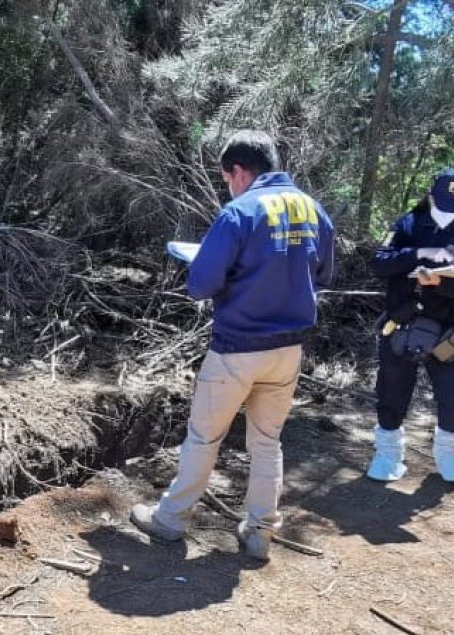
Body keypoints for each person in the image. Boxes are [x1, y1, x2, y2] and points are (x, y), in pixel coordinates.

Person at [130, 130, 336, 560]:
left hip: (238, 348)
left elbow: (201, 285)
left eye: (227, 177)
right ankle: (260, 532)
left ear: (239, 171)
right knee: (266, 441)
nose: (229, 184)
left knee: (204, 437)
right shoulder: (313, 209)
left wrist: (210, 265)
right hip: (288, 351)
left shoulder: (239, 211)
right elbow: (323, 275)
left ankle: (170, 520)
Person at [368, 168, 454, 483]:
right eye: (443, 201)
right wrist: (419, 254)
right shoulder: (407, 224)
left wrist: (438, 281)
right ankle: (387, 454)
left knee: (452, 395)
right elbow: (379, 262)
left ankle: (450, 453)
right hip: (401, 324)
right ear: (432, 194)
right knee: (391, 391)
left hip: (447, 329)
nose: (448, 211)